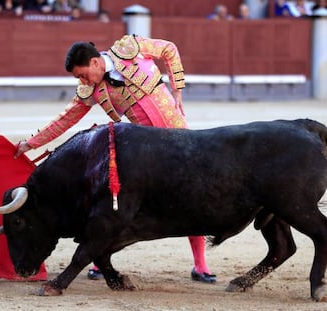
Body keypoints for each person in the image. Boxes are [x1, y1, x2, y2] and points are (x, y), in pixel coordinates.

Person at [14, 35, 217, 284]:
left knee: (189, 195)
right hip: (147, 151)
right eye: (78, 78)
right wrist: (29, 144)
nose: (82, 81)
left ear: (96, 62)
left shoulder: (129, 49)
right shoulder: (92, 91)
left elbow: (169, 49)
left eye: (82, 74)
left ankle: (200, 264)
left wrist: (177, 89)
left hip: (181, 138)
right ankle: (99, 257)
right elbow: (64, 120)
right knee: (118, 203)